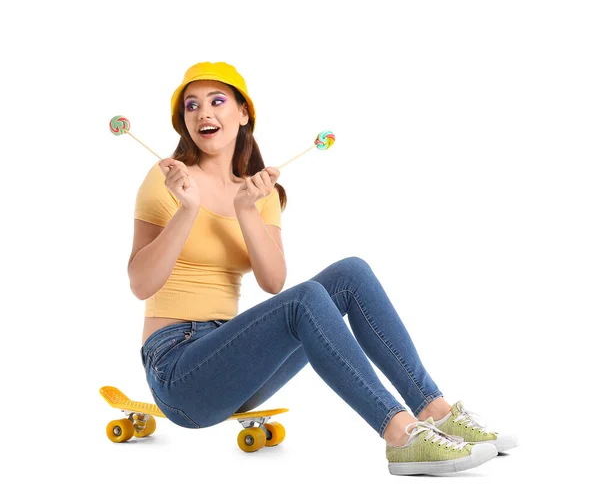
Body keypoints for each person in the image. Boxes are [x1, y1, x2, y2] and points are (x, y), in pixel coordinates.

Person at [129, 61, 517, 476]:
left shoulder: (261, 194)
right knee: (306, 300)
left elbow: (272, 281)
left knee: (351, 273)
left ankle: (434, 410)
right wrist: (186, 211)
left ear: (243, 113)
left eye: (217, 101)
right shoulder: (169, 180)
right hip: (177, 370)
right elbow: (141, 283)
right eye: (191, 105)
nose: (203, 112)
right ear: (184, 121)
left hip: (232, 362)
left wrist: (247, 210)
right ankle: (401, 435)